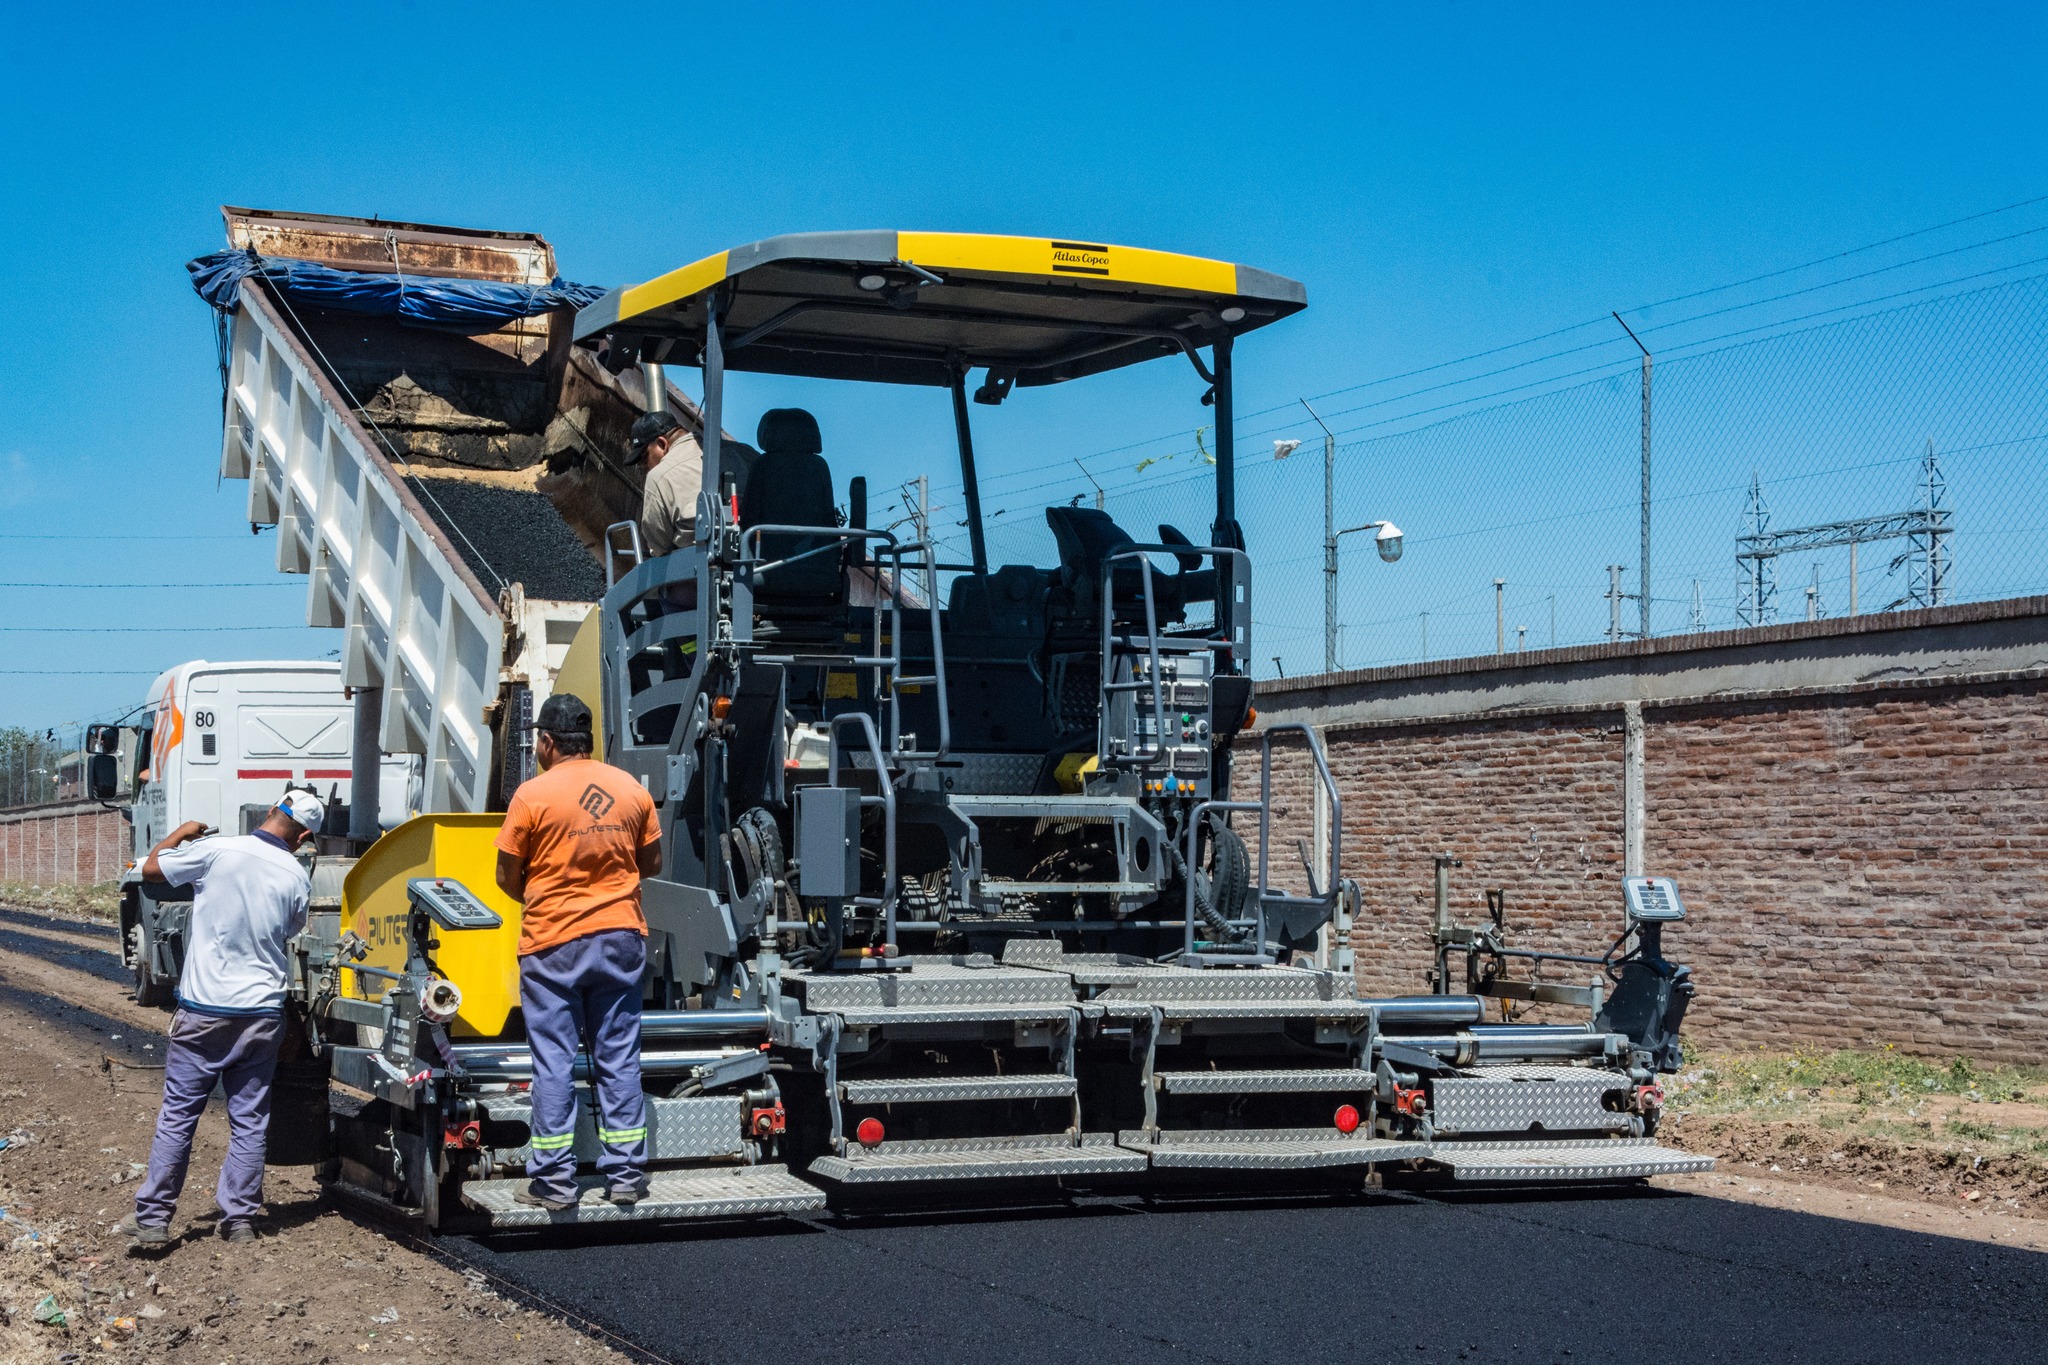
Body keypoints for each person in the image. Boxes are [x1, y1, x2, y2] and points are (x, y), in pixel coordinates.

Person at [116, 790, 323, 1249]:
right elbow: (289, 931)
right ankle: (240, 1221)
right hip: (262, 1015)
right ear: (305, 836)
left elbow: (150, 872)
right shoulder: (296, 874)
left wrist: (178, 835)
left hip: (206, 1011)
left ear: (272, 811)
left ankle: (153, 1220)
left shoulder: (217, 850)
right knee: (250, 1120)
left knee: (178, 1115)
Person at [493, 692, 662, 1209]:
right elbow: (651, 863)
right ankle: (628, 1176)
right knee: (618, 1059)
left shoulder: (532, 795)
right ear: (588, 742)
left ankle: (554, 1182)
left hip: (554, 945)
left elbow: (506, 875)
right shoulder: (631, 790)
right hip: (621, 938)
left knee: (554, 1063)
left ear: (546, 741)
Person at [630, 409, 703, 559]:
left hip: (693, 567)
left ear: (662, 444)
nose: (645, 468)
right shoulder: (740, 451)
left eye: (644, 459)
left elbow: (659, 547)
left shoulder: (658, 477)